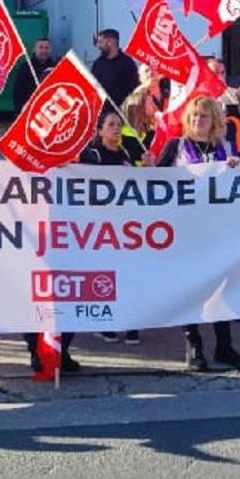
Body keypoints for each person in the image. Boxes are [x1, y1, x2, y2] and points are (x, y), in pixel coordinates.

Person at [156, 96, 240, 371]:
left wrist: (237, 167)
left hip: (218, 230)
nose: (198, 121)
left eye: (204, 117)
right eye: (194, 116)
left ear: (215, 122)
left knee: (222, 288)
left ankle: (225, 344)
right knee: (192, 287)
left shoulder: (225, 149)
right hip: (185, 230)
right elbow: (152, 183)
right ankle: (193, 344)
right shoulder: (176, 147)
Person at [84, 111, 144, 346]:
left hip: (127, 226)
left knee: (129, 274)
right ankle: (106, 323)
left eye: (119, 125)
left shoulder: (127, 153)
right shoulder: (93, 155)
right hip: (101, 226)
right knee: (105, 276)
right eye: (111, 125)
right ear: (100, 131)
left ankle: (130, 324)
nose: (116, 129)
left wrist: (148, 168)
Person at [90, 29, 142, 115]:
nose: (98, 46)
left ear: (110, 42)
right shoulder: (97, 64)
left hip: (123, 114)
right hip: (102, 115)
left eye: (100, 42)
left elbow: (134, 89)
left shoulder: (127, 63)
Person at [13, 38, 56, 111]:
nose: (44, 50)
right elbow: (18, 90)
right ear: (35, 49)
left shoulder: (56, 67)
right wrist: (20, 108)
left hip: (50, 109)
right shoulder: (25, 67)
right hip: (30, 108)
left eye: (47, 48)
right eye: (41, 47)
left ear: (50, 50)